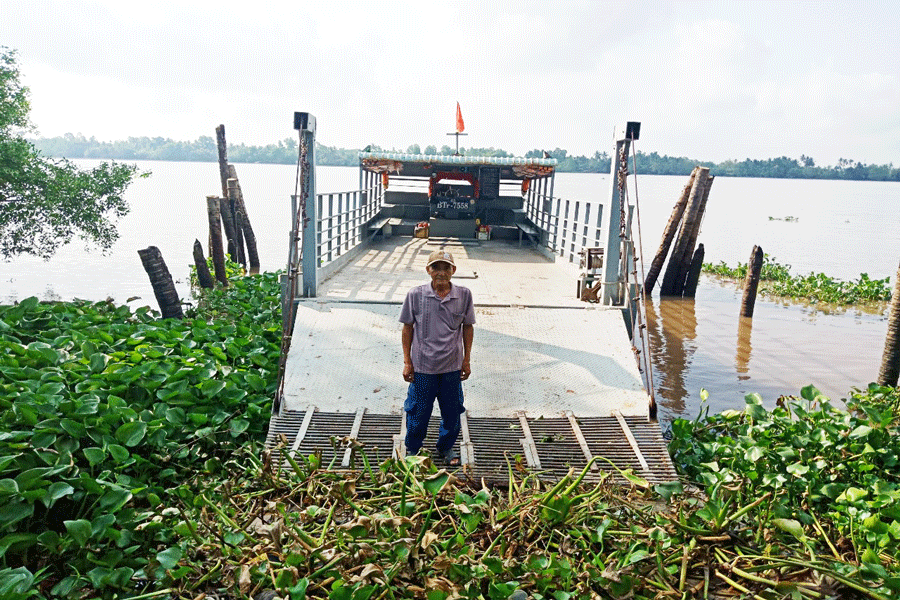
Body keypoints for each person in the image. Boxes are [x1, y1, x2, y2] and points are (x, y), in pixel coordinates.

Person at [399, 249, 475, 466]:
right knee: (418, 411)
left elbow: (468, 327)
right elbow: (407, 328)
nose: (441, 272)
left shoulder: (464, 295)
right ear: (428, 270)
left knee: (452, 411)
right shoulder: (415, 295)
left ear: (453, 271)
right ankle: (413, 449)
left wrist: (466, 359)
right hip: (423, 366)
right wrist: (407, 362)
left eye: (445, 268)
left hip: (451, 365)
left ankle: (446, 448)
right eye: (436, 268)